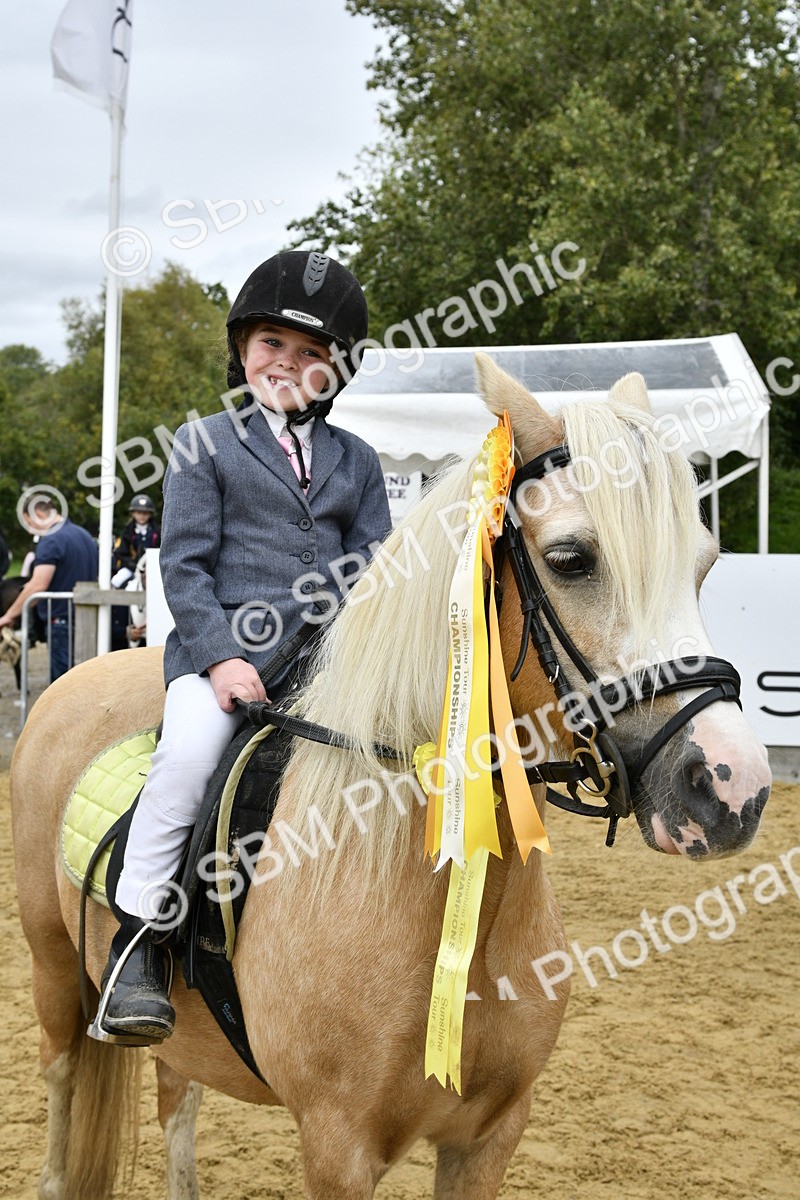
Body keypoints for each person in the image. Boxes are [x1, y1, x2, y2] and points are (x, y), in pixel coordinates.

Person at [95, 250, 392, 1044]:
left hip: (326, 665)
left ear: (334, 372)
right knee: (189, 759)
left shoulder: (358, 461)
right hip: (221, 655)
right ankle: (139, 946)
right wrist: (222, 657)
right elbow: (183, 565)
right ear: (242, 351)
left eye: (309, 354)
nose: (288, 365)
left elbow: (374, 567)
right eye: (272, 345)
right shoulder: (204, 442)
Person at [0, 496, 98, 682]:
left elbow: (38, 586)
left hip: (61, 621)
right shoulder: (83, 535)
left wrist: (9, 615)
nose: (30, 531)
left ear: (37, 514)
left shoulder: (51, 540)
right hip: (88, 620)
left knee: (63, 684)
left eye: (29, 523)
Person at [111, 496, 160, 650]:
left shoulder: (157, 530)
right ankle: (118, 614)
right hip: (131, 566)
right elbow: (121, 552)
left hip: (152, 567)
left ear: (150, 514)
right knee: (116, 582)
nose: (142, 516)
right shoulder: (127, 531)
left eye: (145, 513)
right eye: (138, 513)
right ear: (133, 513)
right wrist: (133, 566)